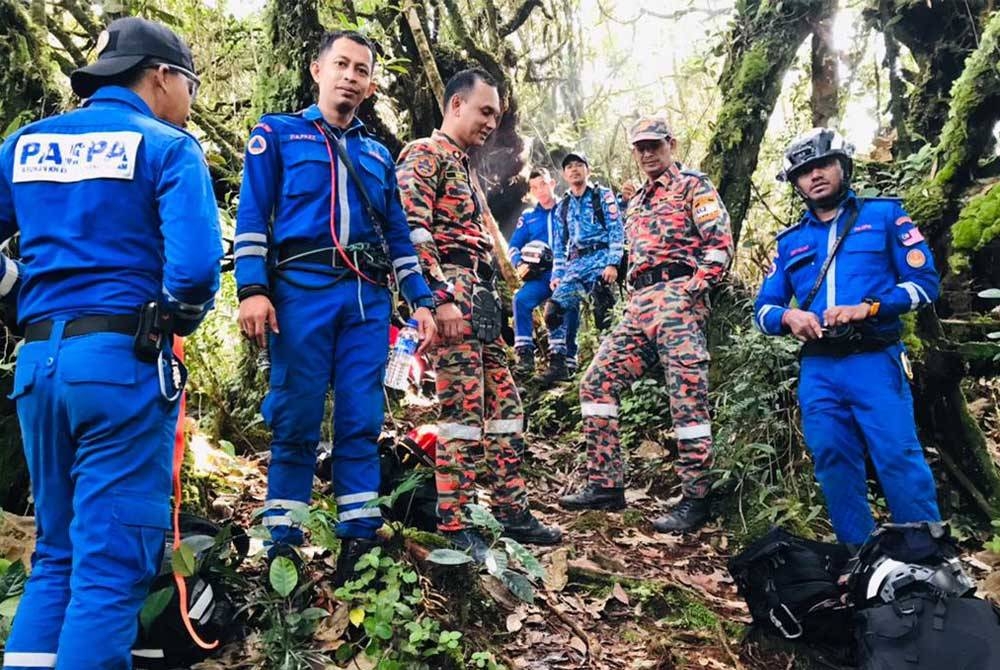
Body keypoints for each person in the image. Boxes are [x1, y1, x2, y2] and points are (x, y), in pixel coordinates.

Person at [0, 17, 221, 669]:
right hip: (121, 368)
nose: (191, 101)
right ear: (161, 76)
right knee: (110, 567)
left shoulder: (25, 145)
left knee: (58, 558)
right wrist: (172, 320)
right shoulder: (168, 148)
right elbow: (194, 275)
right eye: (191, 83)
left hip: (38, 366)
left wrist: (14, 293)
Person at [234, 30, 437, 582]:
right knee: (295, 419)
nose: (350, 75)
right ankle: (283, 545)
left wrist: (419, 299)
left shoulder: (376, 153)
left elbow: (399, 235)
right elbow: (253, 217)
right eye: (341, 64)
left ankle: (357, 539)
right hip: (299, 293)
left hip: (366, 303)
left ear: (370, 85)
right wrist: (251, 289)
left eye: (361, 69)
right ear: (316, 69)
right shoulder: (277, 134)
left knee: (360, 419)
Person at [396, 68, 561, 560]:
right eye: (484, 111)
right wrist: (437, 297)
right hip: (451, 290)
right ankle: (457, 521)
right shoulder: (424, 154)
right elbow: (410, 228)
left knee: (505, 407)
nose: (492, 122)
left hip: (478, 293)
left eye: (497, 115)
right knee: (462, 414)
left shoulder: (464, 165)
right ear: (455, 105)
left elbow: (484, 243)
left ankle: (512, 509)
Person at [754, 127, 940, 546]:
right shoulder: (790, 243)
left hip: (875, 357)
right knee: (834, 460)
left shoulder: (886, 215)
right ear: (796, 183)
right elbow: (762, 309)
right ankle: (859, 560)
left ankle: (926, 562)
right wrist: (789, 317)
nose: (814, 176)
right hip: (819, 368)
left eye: (822, 165)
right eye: (804, 171)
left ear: (843, 166)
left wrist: (870, 307)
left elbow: (925, 283)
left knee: (897, 456)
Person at [559, 116, 733, 534]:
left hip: (678, 299)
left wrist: (693, 288)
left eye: (654, 145)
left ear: (671, 144)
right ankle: (606, 483)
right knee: (596, 383)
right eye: (640, 147)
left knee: (687, 398)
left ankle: (696, 497)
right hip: (640, 305)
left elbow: (719, 246)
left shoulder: (694, 186)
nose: (647, 153)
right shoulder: (634, 202)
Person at [542, 150, 624, 385]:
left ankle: (610, 365)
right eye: (569, 167)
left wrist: (613, 262)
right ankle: (560, 364)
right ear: (564, 174)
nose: (574, 169)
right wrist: (557, 274)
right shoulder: (563, 206)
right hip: (575, 265)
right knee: (554, 310)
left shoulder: (602, 196)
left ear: (588, 169)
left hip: (601, 259)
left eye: (579, 165)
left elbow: (616, 229)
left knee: (604, 310)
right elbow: (558, 244)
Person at [508, 167, 579, 381]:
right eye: (534, 187)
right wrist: (519, 263)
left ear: (553, 183)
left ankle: (565, 359)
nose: (539, 190)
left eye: (543, 184)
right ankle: (525, 356)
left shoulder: (569, 208)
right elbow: (514, 245)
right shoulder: (529, 217)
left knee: (566, 306)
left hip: (566, 273)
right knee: (520, 300)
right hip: (540, 276)